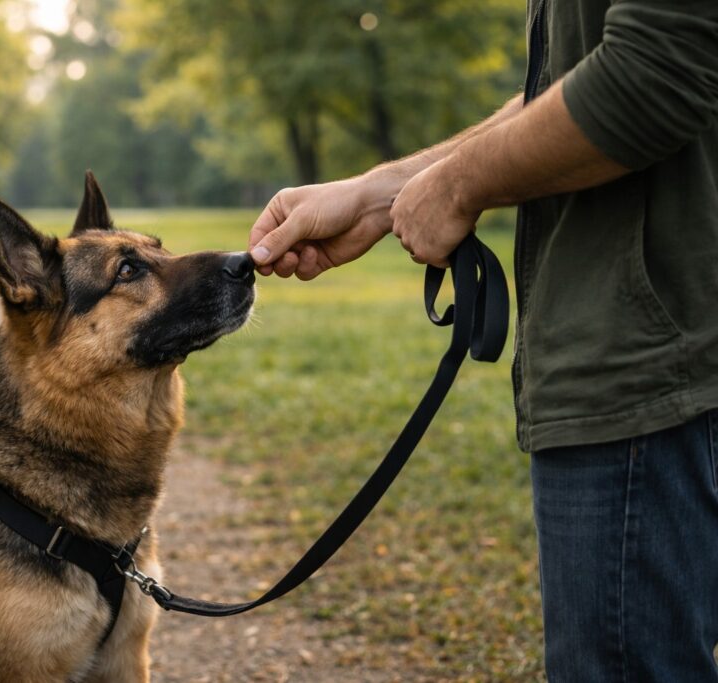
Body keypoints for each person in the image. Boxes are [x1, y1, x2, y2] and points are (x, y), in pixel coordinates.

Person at [247, 1, 718, 680]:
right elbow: (569, 79)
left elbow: (653, 71)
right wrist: (386, 190)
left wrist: (459, 186)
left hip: (650, 361)